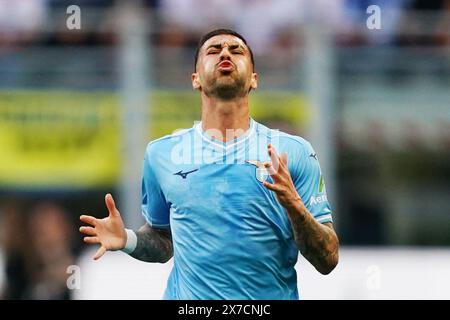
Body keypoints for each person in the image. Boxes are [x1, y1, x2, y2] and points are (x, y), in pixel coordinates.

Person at [79, 28, 339, 299]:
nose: (225, 53)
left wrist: (294, 206)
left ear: (254, 79)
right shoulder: (161, 154)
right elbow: (164, 240)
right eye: (213, 51)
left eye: (236, 50)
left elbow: (328, 260)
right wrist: (127, 240)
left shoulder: (291, 152)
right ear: (195, 79)